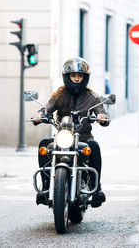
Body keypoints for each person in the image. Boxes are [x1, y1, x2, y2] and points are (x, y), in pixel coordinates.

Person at [32, 57, 109, 207]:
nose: (77, 79)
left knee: (94, 146)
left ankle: (96, 188)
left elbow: (101, 110)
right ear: (67, 77)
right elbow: (47, 107)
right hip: (63, 138)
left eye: (80, 76)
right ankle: (46, 185)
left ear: (85, 78)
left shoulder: (93, 97)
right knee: (44, 144)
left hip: (83, 139)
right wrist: (40, 115)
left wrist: (102, 117)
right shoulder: (59, 95)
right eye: (74, 75)